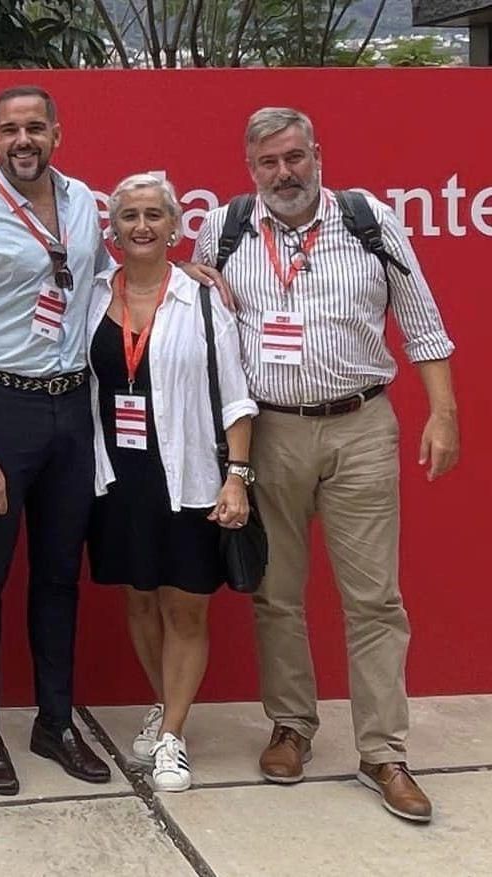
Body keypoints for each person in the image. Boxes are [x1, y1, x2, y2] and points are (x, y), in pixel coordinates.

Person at [193, 107, 459, 823]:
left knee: (374, 598)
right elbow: (201, 323)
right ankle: (292, 725)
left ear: (317, 154)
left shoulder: (368, 218)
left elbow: (422, 317)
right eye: (269, 163)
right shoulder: (223, 228)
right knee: (276, 591)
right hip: (269, 431)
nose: (285, 173)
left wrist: (444, 412)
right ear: (251, 169)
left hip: (361, 425)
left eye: (295, 157)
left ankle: (383, 750)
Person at [0, 85, 117, 796]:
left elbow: (99, 284)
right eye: (11, 129)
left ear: (57, 132)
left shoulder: (84, 204)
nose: (24, 139)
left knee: (60, 576)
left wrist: (180, 272)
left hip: (72, 407)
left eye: (36, 126)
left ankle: (55, 721)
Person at [84, 173, 256, 793]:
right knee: (140, 596)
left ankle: (174, 735)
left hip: (189, 475)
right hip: (118, 477)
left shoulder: (204, 300)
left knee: (185, 605)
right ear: (113, 229)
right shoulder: (94, 294)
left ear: (175, 225)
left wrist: (236, 479)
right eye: (129, 216)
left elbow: (235, 398)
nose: (141, 226)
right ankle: (164, 702)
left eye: (154, 214)